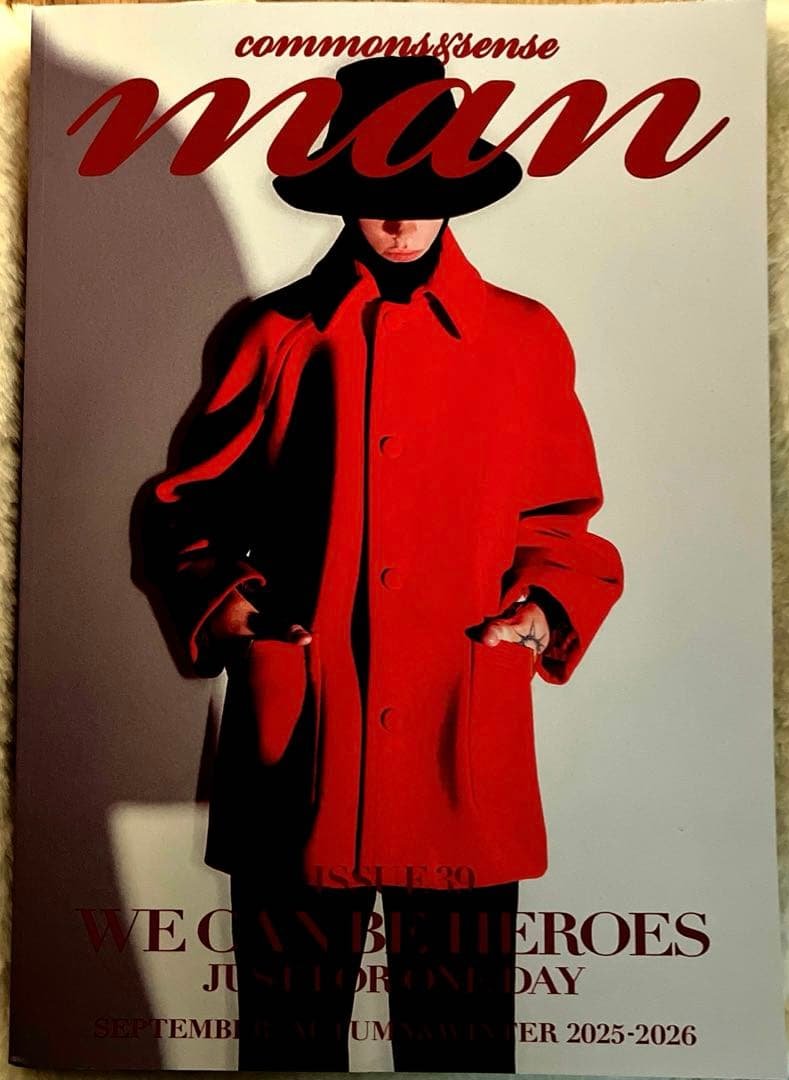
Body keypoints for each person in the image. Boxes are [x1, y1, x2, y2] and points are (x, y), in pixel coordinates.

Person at [135, 55, 624, 1073]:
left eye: (423, 192)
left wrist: (539, 611)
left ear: (459, 192)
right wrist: (235, 614)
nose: (399, 218)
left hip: (459, 742)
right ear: (339, 194)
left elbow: (562, 522)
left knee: (460, 1047)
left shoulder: (522, 339)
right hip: (306, 742)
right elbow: (185, 511)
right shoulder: (274, 335)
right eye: (374, 193)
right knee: (288, 1045)